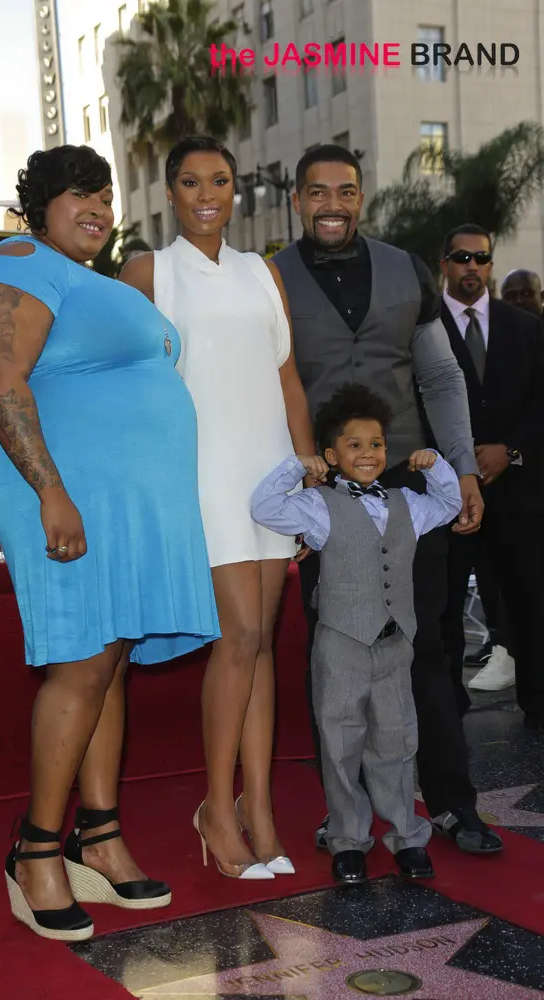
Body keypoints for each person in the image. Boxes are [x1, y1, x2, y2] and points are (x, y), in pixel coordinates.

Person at [0, 145, 220, 941]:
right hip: (62, 492)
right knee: (81, 663)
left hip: (122, 502)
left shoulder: (93, 281)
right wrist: (51, 492)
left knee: (109, 662)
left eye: (106, 196)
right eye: (80, 194)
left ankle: (98, 837)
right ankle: (35, 850)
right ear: (39, 205)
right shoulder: (19, 259)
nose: (99, 209)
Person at [273, 144, 503, 856]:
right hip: (325, 494)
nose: (332, 205)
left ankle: (452, 802)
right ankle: (345, 816)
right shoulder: (270, 278)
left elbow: (440, 377)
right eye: (317, 192)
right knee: (334, 655)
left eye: (345, 191)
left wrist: (462, 468)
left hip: (406, 481)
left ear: (361, 198)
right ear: (296, 200)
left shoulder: (406, 269)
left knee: (427, 645)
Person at [120, 135, 319, 879]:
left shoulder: (261, 271)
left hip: (270, 471)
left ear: (236, 190)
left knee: (262, 641)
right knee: (238, 637)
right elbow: (127, 384)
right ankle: (215, 807)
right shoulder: (150, 272)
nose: (208, 194)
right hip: (202, 474)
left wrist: (306, 474)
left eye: (221, 180)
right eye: (191, 181)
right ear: (170, 192)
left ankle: (258, 809)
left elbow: (288, 379)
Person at [251, 384, 462, 883]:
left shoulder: (408, 502)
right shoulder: (318, 505)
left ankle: (407, 836)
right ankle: (347, 839)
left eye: (377, 444)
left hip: (394, 644)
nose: (368, 453)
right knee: (340, 741)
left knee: (396, 740)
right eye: (355, 444)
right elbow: (264, 508)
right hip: (341, 643)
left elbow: (450, 504)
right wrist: (296, 467)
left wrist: (435, 466)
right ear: (332, 456)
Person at [438, 224, 544, 729]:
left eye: (481, 258)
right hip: (446, 493)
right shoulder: (423, 326)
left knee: (530, 601)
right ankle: (444, 710)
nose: (472, 267)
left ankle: (538, 703)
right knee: (444, 606)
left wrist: (510, 450)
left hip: (518, 493)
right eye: (462, 258)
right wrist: (457, 462)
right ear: (444, 264)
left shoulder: (525, 327)